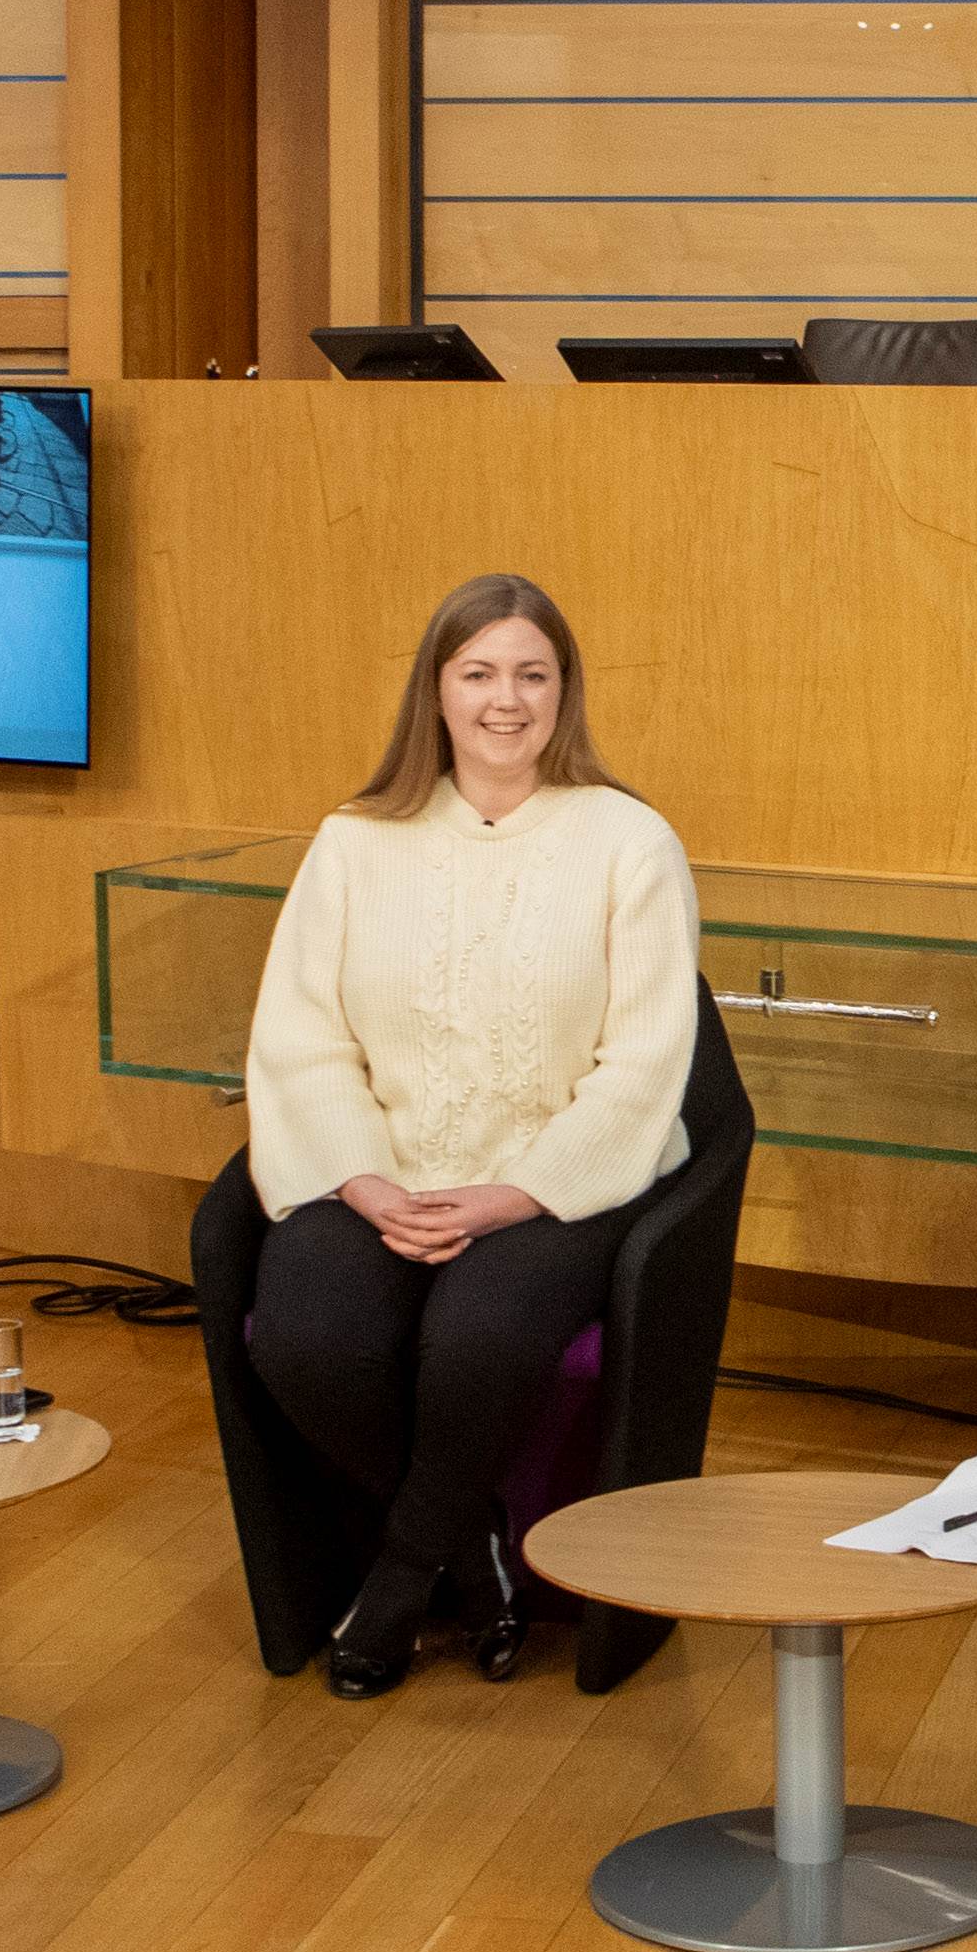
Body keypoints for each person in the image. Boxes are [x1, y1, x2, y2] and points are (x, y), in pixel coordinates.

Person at [235, 572, 703, 1697]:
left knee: (481, 1338)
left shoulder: (630, 842)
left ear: (564, 693)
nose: (507, 701)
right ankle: (481, 1552)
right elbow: (301, 1036)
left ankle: (401, 1583)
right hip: (380, 1169)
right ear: (436, 693)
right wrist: (361, 1182)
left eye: (532, 675)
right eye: (479, 674)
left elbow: (645, 1066)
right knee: (307, 1340)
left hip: (556, 1186)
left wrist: (516, 1194)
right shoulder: (355, 840)